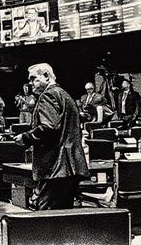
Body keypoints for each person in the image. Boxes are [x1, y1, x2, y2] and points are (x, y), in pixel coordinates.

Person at [14, 63, 88, 210]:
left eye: (33, 79)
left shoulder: (47, 95)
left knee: (47, 222)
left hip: (55, 168)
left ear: (46, 76)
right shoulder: (64, 95)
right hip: (70, 167)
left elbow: (49, 127)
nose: (30, 83)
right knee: (61, 218)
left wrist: (26, 137)